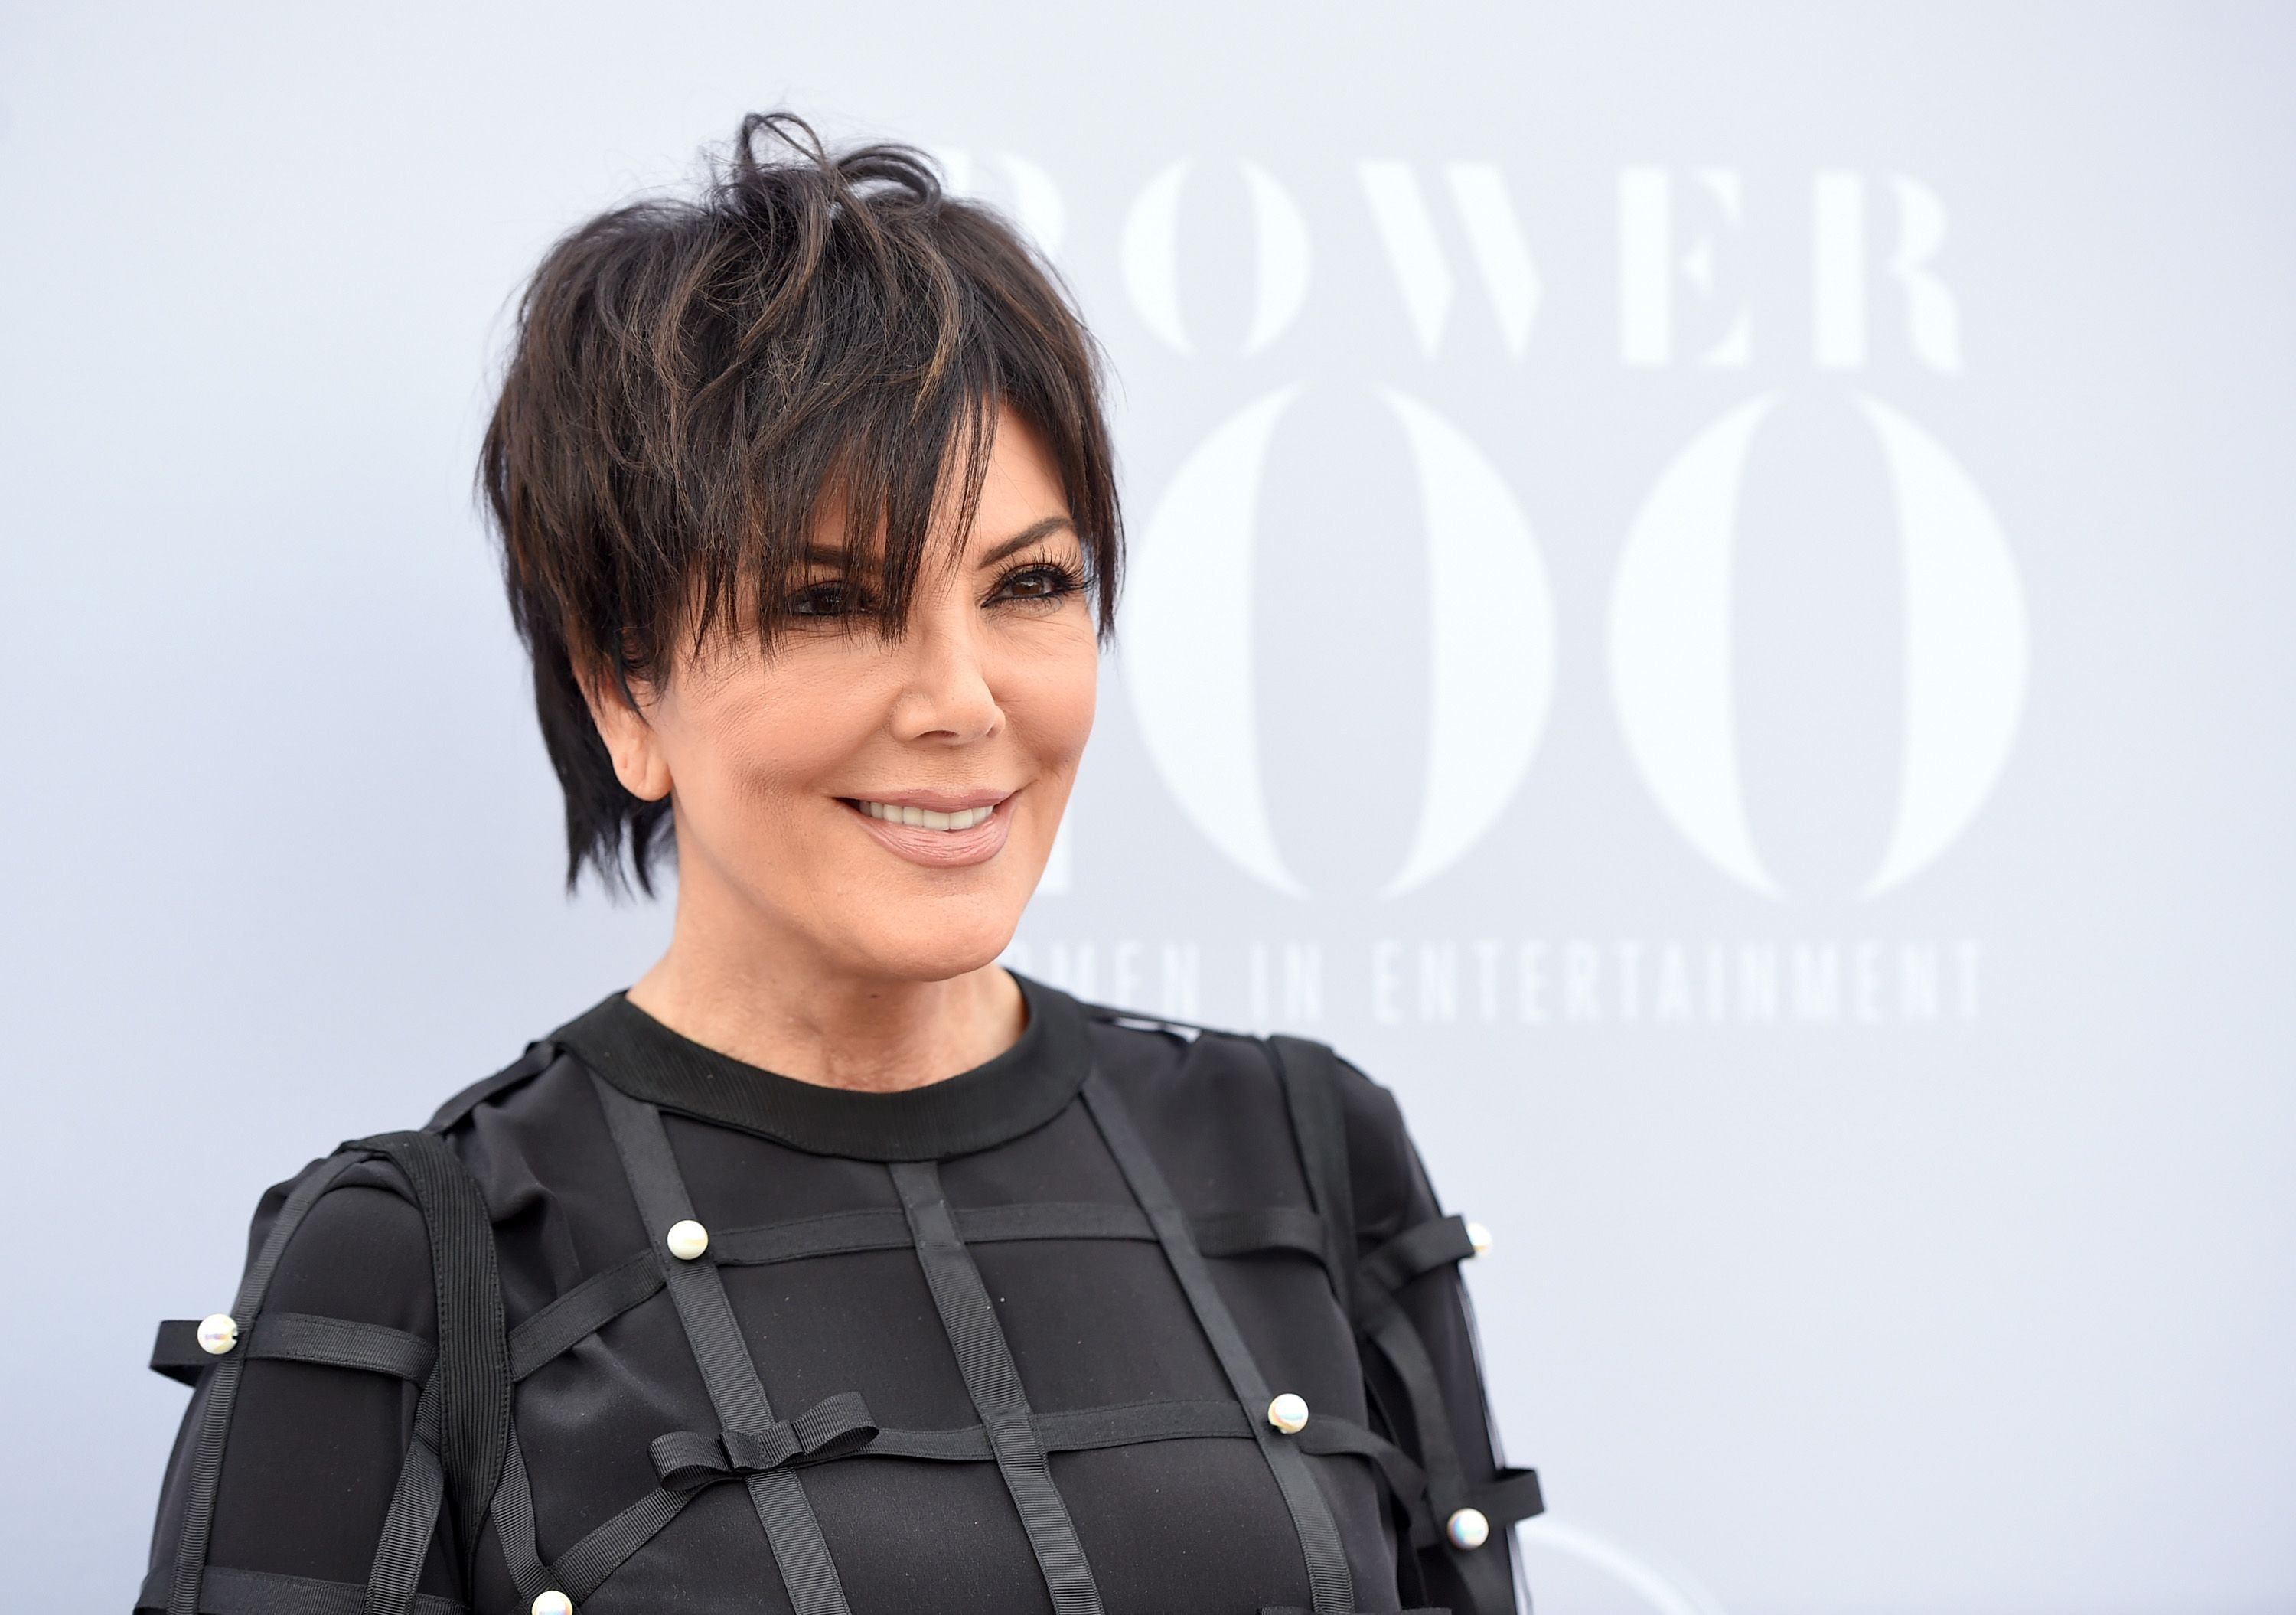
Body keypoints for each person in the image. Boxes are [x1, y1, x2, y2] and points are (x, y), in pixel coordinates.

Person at [135, 112, 1541, 1615]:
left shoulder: (1304, 1151)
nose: (961, 700)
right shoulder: (419, 1258)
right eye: (829, 601)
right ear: (624, 688)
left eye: (1032, 584)